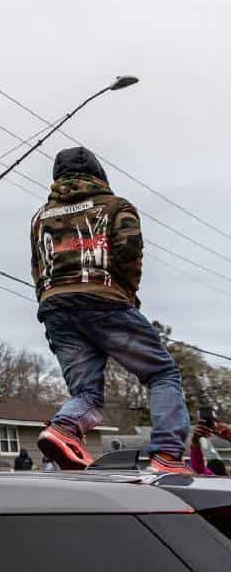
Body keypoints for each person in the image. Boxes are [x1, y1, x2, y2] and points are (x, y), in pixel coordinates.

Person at [31, 147, 191, 474]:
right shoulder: (117, 206)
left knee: (86, 392)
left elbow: (38, 266)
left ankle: (64, 429)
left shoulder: (40, 218)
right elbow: (129, 253)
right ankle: (167, 454)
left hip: (56, 308)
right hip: (105, 301)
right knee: (161, 373)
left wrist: (49, 301)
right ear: (98, 174)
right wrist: (127, 296)